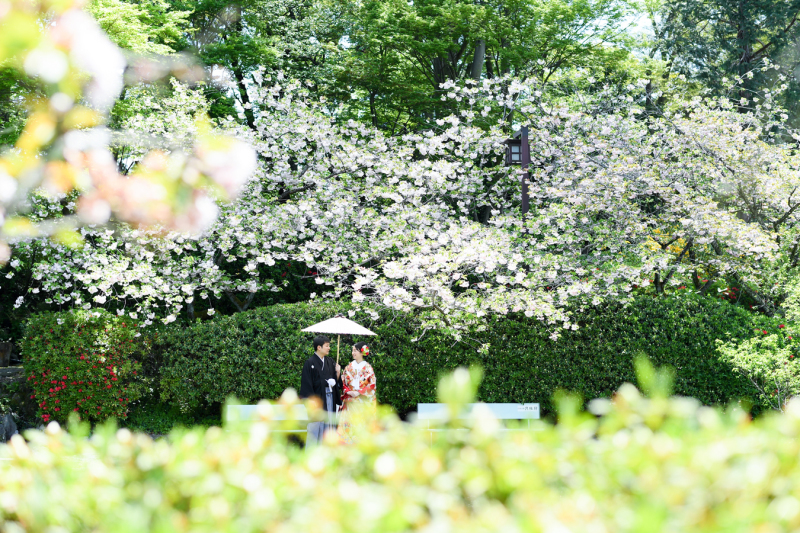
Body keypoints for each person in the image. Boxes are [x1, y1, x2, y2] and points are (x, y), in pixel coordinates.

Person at [299, 335, 341, 445]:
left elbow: (335, 382)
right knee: (315, 427)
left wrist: (338, 373)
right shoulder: (310, 363)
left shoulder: (330, 361)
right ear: (319, 347)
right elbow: (306, 384)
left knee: (328, 425)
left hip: (329, 398)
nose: (329, 348)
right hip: (317, 401)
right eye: (327, 346)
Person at [338, 341, 376, 442]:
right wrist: (347, 391)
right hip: (350, 402)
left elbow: (372, 385)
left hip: (361, 403)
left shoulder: (368, 368)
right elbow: (343, 382)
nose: (353, 353)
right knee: (348, 427)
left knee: (361, 427)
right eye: (352, 350)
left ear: (361, 352)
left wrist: (359, 392)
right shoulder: (348, 367)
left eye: (355, 350)